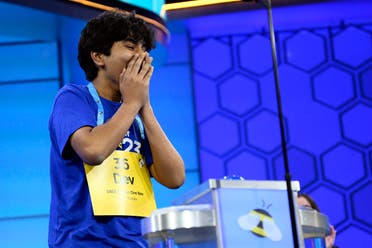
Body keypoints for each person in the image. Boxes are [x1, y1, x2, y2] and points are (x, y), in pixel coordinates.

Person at [48, 9, 185, 247]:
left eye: (145, 49)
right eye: (131, 47)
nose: (142, 57)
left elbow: (175, 177)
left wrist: (145, 108)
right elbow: (94, 150)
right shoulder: (73, 98)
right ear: (99, 56)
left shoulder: (137, 115)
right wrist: (132, 102)